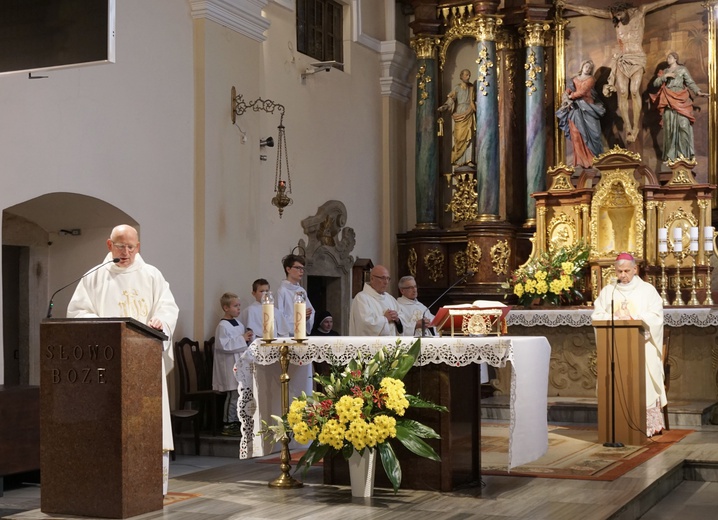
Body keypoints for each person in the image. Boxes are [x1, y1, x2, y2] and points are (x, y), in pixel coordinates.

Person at [67, 224, 179, 495]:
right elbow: (77, 312)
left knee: (148, 425)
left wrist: (160, 322)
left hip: (144, 365)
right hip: (108, 367)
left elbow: (168, 307)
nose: (126, 251)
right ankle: (104, 485)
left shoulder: (151, 275)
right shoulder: (94, 277)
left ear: (138, 246)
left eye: (131, 246)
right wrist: (105, 326)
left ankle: (150, 487)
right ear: (109, 245)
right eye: (120, 246)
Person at [561, 0, 678, 143]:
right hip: (622, 60)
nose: (619, 18)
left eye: (620, 14)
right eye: (616, 15)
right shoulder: (615, 18)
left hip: (637, 58)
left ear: (625, 10)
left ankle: (636, 127)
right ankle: (628, 127)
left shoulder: (640, 12)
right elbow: (593, 11)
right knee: (622, 92)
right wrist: (568, 5)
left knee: (634, 90)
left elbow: (659, 3)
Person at [591, 253, 666, 437]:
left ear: (635, 269)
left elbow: (657, 317)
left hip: (643, 346)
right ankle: (617, 423)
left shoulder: (647, 290)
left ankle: (645, 424)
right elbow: (596, 316)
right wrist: (615, 317)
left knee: (647, 371)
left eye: (626, 271)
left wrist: (635, 318)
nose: (623, 275)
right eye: (619, 271)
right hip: (616, 349)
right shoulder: (609, 291)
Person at [650, 52, 709, 162]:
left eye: (670, 57)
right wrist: (665, 76)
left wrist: (698, 92)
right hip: (668, 100)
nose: (668, 59)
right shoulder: (666, 72)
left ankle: (684, 156)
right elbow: (656, 83)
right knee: (669, 129)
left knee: (683, 126)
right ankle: (671, 157)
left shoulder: (682, 70)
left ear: (675, 58)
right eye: (667, 57)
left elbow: (690, 82)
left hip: (681, 99)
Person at [213, 292, 253, 436]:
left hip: (239, 363)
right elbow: (223, 345)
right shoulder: (222, 326)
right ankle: (228, 423)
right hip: (228, 365)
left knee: (240, 394)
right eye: (235, 306)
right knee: (233, 394)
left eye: (239, 306)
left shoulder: (239, 324)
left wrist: (247, 338)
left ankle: (237, 421)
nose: (238, 308)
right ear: (226, 308)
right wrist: (242, 338)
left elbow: (240, 342)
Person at [556, 59, 606, 168]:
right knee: (576, 134)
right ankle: (579, 162)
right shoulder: (573, 79)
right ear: (582, 67)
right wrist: (565, 98)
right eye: (586, 66)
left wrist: (570, 97)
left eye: (590, 68)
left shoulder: (591, 79)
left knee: (594, 134)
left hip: (588, 109)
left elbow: (583, 91)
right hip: (575, 110)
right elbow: (567, 91)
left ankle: (593, 160)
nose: (588, 69)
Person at [349, 265, 406, 336]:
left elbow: (402, 320)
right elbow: (364, 324)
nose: (386, 282)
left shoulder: (390, 299)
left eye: (388, 278)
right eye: (382, 278)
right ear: (372, 279)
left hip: (392, 344)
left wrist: (397, 319)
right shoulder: (361, 298)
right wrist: (385, 319)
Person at [438, 68, 476, 168]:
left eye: (469, 75)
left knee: (469, 136)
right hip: (460, 113)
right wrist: (445, 106)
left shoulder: (472, 87)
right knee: (459, 137)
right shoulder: (457, 88)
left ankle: (468, 160)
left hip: (469, 112)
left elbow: (474, 100)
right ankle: (458, 160)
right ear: (461, 76)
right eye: (466, 75)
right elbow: (451, 99)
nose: (468, 76)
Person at [276, 254, 315, 337]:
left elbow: (311, 311)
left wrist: (307, 318)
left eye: (302, 268)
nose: (301, 271)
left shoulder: (301, 291)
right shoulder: (282, 291)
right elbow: (279, 316)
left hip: (300, 333)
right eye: (298, 268)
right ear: (288, 269)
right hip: (287, 336)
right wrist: (299, 317)